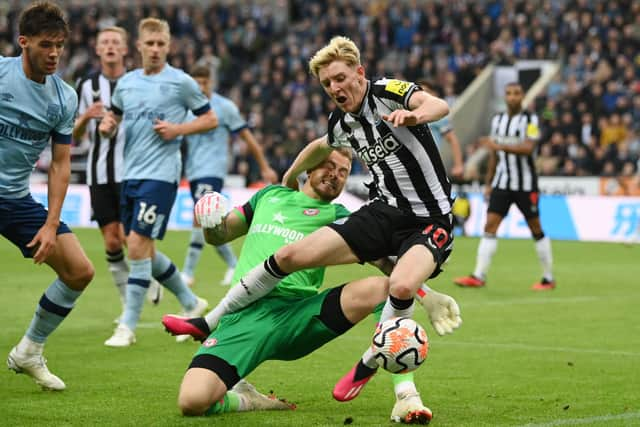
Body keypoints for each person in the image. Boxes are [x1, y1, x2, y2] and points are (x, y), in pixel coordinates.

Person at [181, 36, 459, 420]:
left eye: (341, 78)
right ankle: (211, 320)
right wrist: (291, 172)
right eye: (328, 83)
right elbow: (321, 144)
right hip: (383, 212)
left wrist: (415, 116)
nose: (335, 88)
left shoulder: (387, 92)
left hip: (430, 219)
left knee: (399, 287)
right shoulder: (340, 125)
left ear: (360, 73)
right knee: (291, 255)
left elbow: (437, 103)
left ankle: (372, 367)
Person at [161, 149, 461, 422]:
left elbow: (390, 267)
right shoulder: (268, 196)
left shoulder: (341, 217)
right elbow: (221, 235)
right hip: (242, 317)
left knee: (382, 289)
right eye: (329, 165)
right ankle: (246, 399)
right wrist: (210, 223)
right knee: (192, 402)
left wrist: (427, 294)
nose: (335, 174)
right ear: (309, 168)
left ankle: (406, 394)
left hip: (298, 317)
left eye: (343, 172)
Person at [98, 17, 216, 347]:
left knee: (136, 245)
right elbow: (114, 119)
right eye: (149, 43)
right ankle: (192, 303)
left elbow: (210, 119)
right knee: (140, 246)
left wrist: (178, 130)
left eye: (160, 44)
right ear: (138, 46)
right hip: (130, 174)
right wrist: (106, 126)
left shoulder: (181, 82)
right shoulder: (127, 83)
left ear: (168, 46)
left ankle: (127, 325)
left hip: (162, 176)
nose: (154, 49)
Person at [2, 1, 95, 391]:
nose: (55, 53)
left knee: (79, 271)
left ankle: (28, 351)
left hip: (13, 199)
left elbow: (59, 164)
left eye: (59, 45)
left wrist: (51, 224)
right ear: (23, 42)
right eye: (45, 45)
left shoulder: (64, 98)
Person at [73, 26, 162, 323]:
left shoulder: (138, 82)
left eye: (115, 42)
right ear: (97, 50)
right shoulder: (86, 86)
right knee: (111, 242)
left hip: (133, 172)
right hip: (98, 173)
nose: (110, 47)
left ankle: (153, 276)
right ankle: (127, 303)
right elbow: (72, 135)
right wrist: (85, 117)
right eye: (105, 43)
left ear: (126, 49)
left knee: (130, 237)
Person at [180, 65, 278, 290]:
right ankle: (233, 264)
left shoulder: (224, 107)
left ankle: (187, 273)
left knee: (201, 217)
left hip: (213, 170)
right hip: (194, 171)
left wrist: (264, 166)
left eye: (204, 83)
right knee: (209, 220)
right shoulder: (187, 109)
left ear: (211, 82)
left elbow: (247, 136)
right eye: (197, 84)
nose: (201, 87)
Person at [454, 82, 555, 290]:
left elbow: (528, 148)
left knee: (536, 228)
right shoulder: (498, 120)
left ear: (523, 96)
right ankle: (478, 275)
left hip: (526, 185)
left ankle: (548, 278)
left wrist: (498, 146)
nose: (512, 97)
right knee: (490, 226)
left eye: (516, 93)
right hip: (502, 183)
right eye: (508, 93)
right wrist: (489, 183)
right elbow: (494, 156)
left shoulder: (531, 120)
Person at [416, 79, 465, 181]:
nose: (423, 96)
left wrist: (458, 165)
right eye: (420, 92)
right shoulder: (406, 113)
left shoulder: (437, 116)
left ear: (434, 94)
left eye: (427, 92)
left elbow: (452, 140)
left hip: (430, 165)